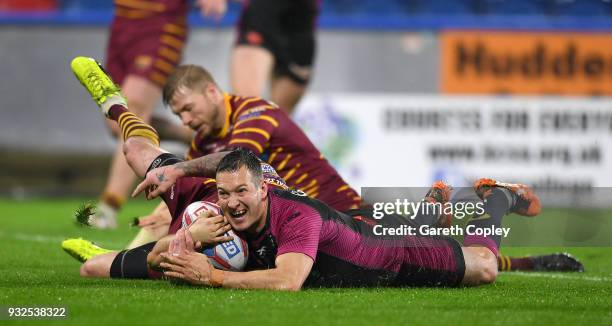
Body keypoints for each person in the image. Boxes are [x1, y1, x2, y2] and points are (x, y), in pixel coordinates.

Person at [156, 149, 542, 289]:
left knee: (485, 267)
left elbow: (288, 281)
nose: (232, 202)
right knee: (412, 229)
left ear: (262, 190)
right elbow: (157, 257)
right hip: (360, 232)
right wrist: (185, 239)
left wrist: (215, 276)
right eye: (224, 194)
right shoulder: (232, 215)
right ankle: (430, 212)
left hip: (392, 257)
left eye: (242, 191)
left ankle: (497, 199)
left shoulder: (294, 215)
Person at [89, 0, 195, 229]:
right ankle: (189, 135)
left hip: (161, 22)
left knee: (131, 109)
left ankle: (109, 207)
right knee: (115, 122)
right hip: (123, 19)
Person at [197, 0, 319, 114]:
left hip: (302, 26)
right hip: (261, 15)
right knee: (247, 110)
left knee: (278, 122)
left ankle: (185, 133)